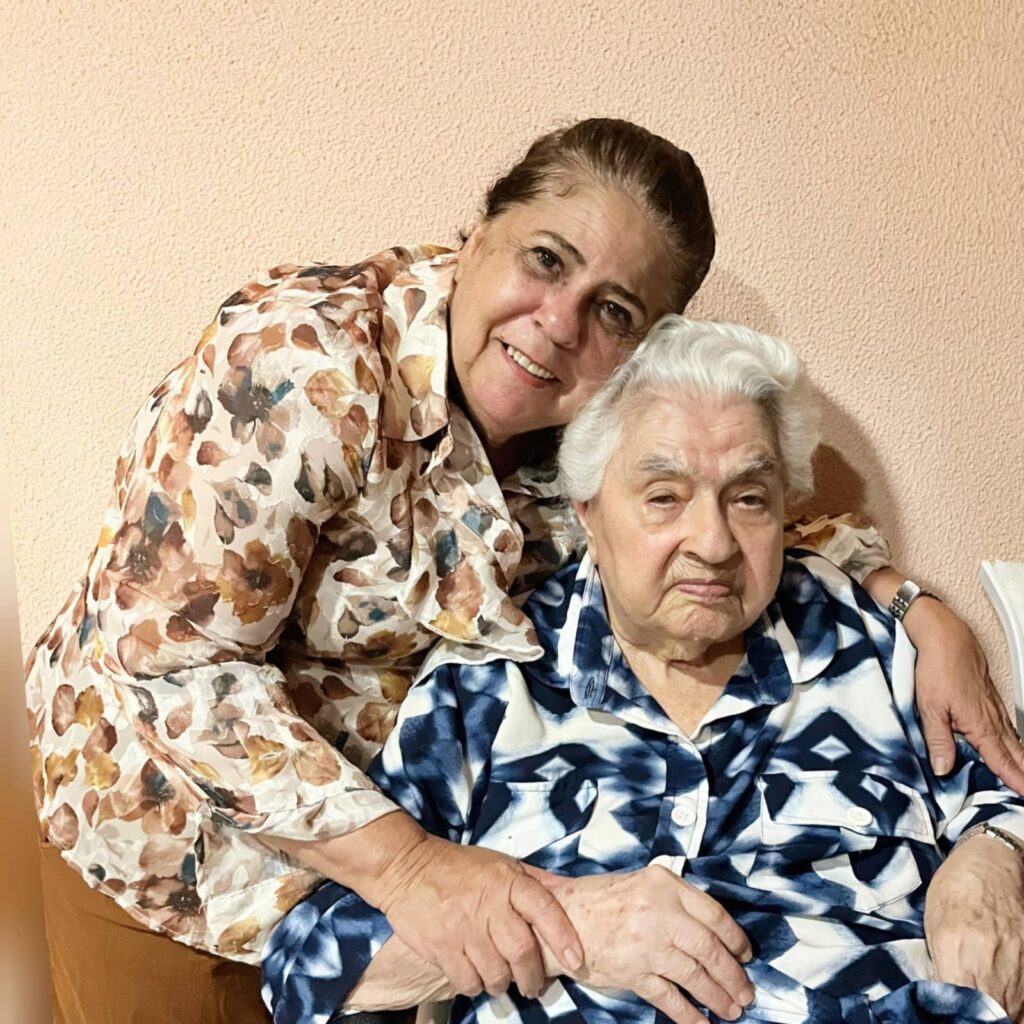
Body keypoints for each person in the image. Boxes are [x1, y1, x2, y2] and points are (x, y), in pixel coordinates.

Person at [24, 119, 1023, 1023]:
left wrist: (916, 609)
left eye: (614, 309)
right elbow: (172, 663)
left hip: (406, 870)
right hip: (179, 842)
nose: (558, 321)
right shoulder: (303, 362)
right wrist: (420, 872)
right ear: (479, 230)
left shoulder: (586, 432)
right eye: (545, 259)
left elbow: (718, 518)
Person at [264, 318, 1024, 1024]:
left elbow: (1004, 794)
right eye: (664, 496)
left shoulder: (874, 645)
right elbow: (311, 959)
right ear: (589, 512)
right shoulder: (492, 681)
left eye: (749, 499)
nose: (714, 542)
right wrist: (568, 929)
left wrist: (995, 855)